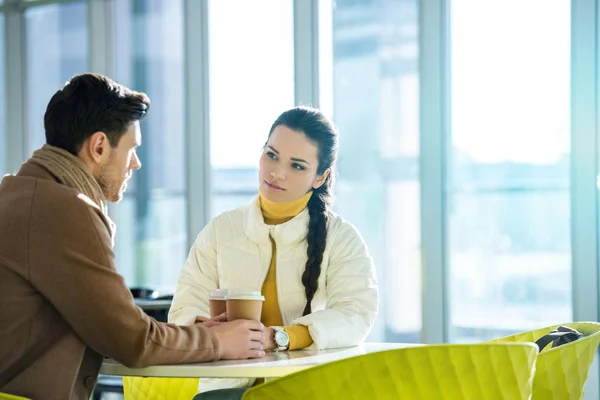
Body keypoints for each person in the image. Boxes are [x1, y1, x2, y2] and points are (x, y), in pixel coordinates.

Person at [0, 73, 265, 400]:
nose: (136, 164)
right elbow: (131, 340)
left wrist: (188, 334)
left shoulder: (16, 194)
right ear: (98, 147)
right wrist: (220, 342)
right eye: (131, 149)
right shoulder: (65, 209)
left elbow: (105, 328)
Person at [170, 106, 379, 393]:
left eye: (297, 166)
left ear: (320, 177)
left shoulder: (342, 237)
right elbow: (183, 308)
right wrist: (216, 332)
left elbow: (356, 313)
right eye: (271, 155)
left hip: (307, 389)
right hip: (222, 390)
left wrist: (280, 337)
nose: (277, 173)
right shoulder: (221, 230)